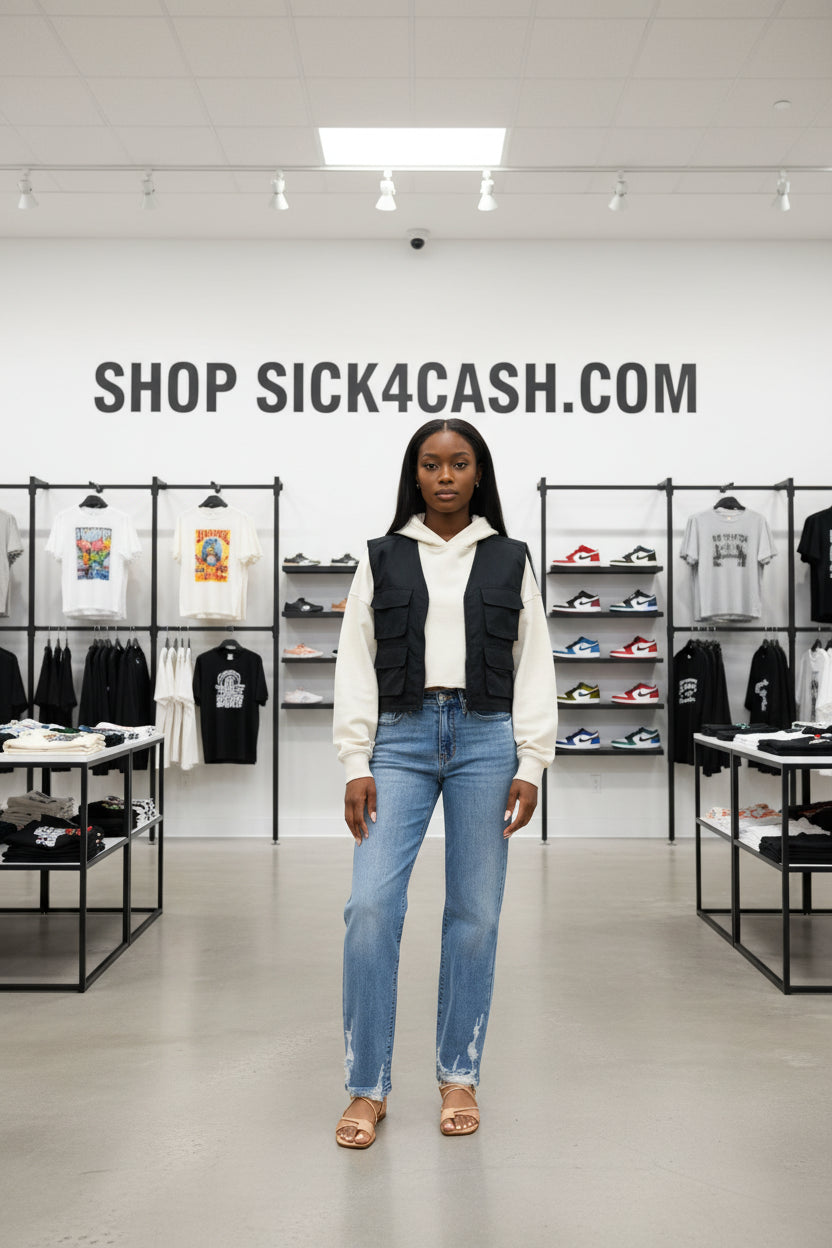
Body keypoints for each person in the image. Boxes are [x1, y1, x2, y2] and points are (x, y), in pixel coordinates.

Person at [332, 418, 557, 1148]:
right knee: (370, 906)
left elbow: (535, 663)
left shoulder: (510, 557)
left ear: (479, 473)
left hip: (487, 741)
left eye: (460, 463)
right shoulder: (383, 556)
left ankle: (458, 1074)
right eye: (432, 465)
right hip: (397, 740)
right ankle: (368, 1087)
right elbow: (354, 661)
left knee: (476, 915)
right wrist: (355, 760)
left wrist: (532, 762)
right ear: (416, 475)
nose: (446, 476)